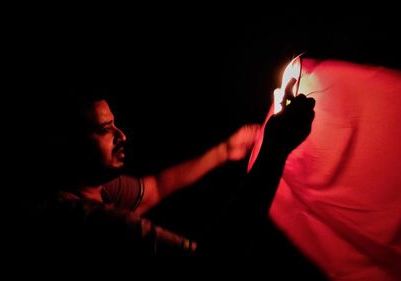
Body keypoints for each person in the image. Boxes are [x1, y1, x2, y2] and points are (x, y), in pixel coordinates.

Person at [25, 78, 316, 258]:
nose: (121, 135)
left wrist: (225, 151)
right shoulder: (87, 222)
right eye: (105, 129)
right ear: (67, 145)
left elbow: (156, 188)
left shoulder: (94, 188)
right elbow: (216, 260)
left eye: (115, 124)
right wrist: (276, 149)